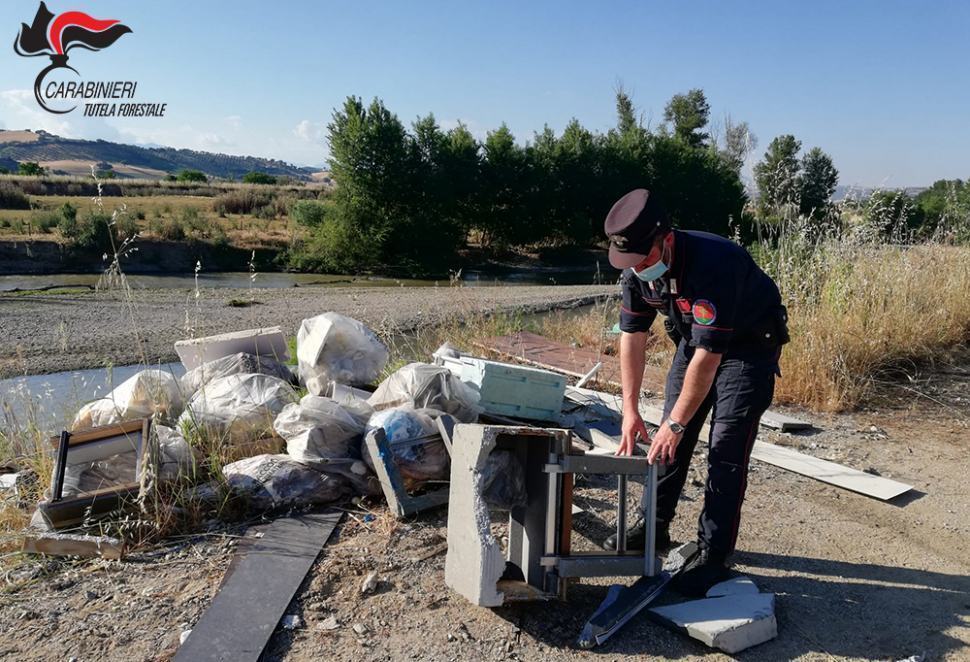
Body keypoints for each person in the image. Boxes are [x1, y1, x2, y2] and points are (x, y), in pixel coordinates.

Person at [601, 188, 788, 596]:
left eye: (644, 259)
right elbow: (632, 336)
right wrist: (630, 410)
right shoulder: (636, 268)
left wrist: (676, 422)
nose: (638, 269)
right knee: (667, 443)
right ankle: (652, 526)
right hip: (696, 341)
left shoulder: (713, 263)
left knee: (724, 446)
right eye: (631, 263)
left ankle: (713, 555)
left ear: (664, 239)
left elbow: (711, 356)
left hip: (748, 346)